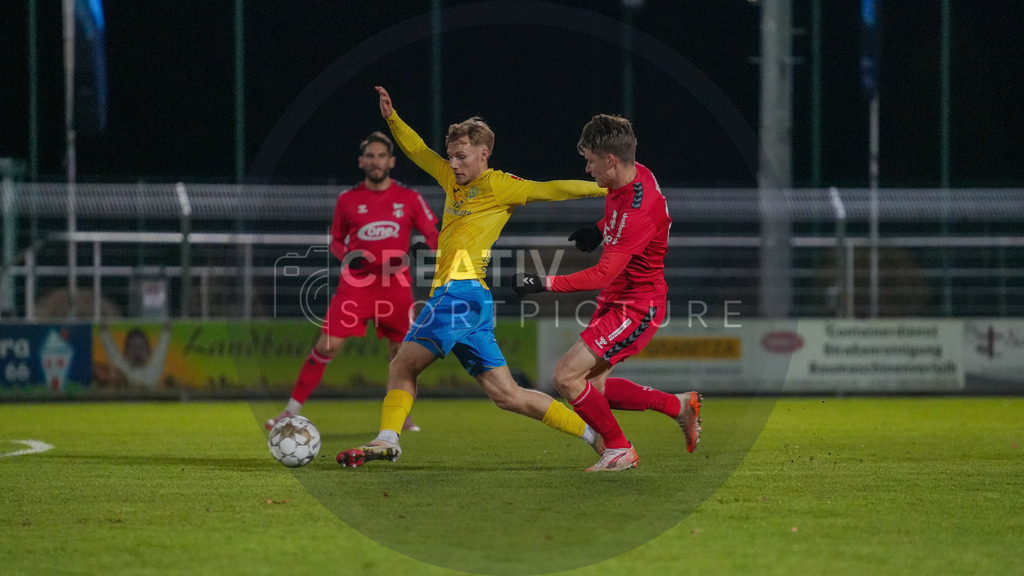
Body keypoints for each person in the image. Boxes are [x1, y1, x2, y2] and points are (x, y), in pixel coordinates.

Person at [336, 86, 608, 467]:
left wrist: (609, 186)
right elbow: (417, 151)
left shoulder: (499, 185)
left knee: (402, 364)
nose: (455, 164)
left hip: (459, 293)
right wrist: (392, 119)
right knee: (507, 395)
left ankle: (387, 439)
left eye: (462, 157)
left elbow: (552, 189)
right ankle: (599, 436)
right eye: (451, 156)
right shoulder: (451, 179)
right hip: (470, 300)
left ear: (484, 154)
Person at [511, 114, 702, 472]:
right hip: (618, 298)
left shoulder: (637, 212)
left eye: (591, 160)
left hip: (635, 306)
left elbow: (602, 273)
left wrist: (544, 283)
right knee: (593, 385)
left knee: (566, 377)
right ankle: (678, 406)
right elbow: (623, 225)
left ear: (611, 160)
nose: (587, 168)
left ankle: (619, 448)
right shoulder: (635, 175)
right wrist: (599, 229)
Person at [266, 131, 440, 431]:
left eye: (381, 156)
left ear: (392, 161)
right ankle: (290, 411)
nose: (376, 161)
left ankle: (401, 415)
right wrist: (348, 255)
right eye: (370, 156)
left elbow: (435, 235)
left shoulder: (409, 198)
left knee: (401, 355)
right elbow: (334, 240)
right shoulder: (347, 200)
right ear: (362, 161)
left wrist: (419, 250)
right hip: (356, 285)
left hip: (395, 286)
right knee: (327, 345)